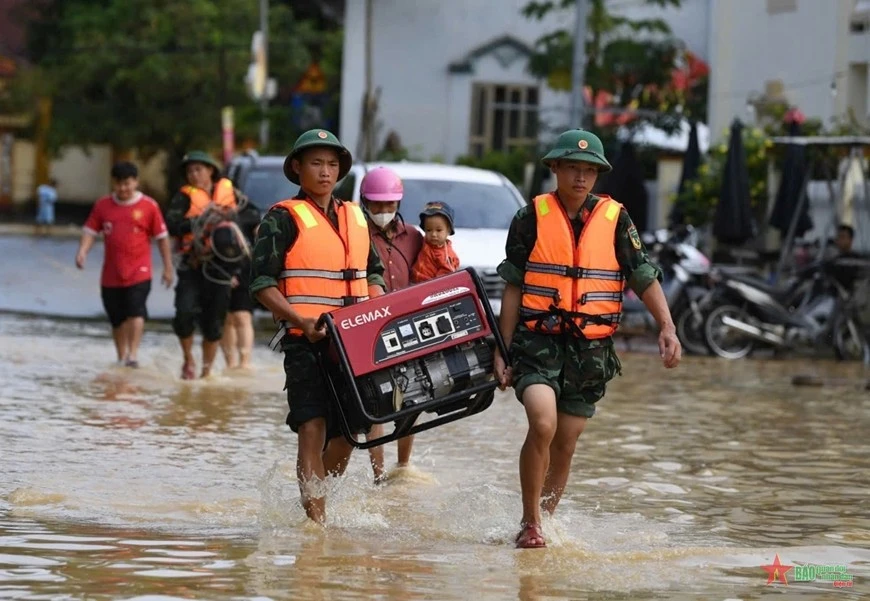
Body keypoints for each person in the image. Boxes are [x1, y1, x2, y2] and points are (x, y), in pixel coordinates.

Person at [492, 129, 682, 549]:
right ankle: (530, 524)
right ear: (555, 168)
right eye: (573, 168)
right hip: (537, 343)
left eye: (589, 171)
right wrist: (501, 350)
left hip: (590, 350)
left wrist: (666, 326)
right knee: (543, 422)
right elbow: (513, 287)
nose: (581, 178)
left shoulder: (617, 219)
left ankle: (547, 521)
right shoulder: (530, 217)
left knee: (565, 443)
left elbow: (642, 273)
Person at [249, 129, 386, 524]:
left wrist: (376, 305)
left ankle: (312, 500)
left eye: (332, 164)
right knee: (312, 425)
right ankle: (317, 525)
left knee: (347, 435)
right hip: (304, 339)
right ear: (297, 167)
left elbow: (373, 273)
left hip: (355, 340)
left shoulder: (356, 216)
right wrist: (299, 320)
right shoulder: (282, 218)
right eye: (316, 163)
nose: (325, 172)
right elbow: (261, 283)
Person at [164, 151, 260, 380]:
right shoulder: (183, 197)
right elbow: (172, 225)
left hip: (223, 265)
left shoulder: (230, 191)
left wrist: (230, 216)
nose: (194, 174)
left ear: (210, 171)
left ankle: (206, 373)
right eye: (190, 171)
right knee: (184, 313)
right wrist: (201, 219)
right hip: (193, 263)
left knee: (215, 320)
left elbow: (253, 214)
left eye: (198, 169)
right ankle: (188, 359)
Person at [359, 166, 424, 479]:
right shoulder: (357, 233)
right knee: (376, 401)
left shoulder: (414, 236)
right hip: (370, 327)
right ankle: (378, 474)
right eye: (377, 205)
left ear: (399, 204)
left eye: (390, 205)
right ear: (364, 202)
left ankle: (403, 468)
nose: (383, 211)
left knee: (411, 398)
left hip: (409, 326)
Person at [75, 162, 174, 367]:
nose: (123, 189)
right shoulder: (103, 205)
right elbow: (90, 231)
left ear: (136, 182)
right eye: (119, 184)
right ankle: (121, 356)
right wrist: (83, 251)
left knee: (136, 311)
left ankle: (133, 355)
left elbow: (162, 238)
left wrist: (167, 267)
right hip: (111, 273)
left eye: (127, 184)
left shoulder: (149, 206)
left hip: (140, 271)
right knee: (117, 317)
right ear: (114, 183)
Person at [220, 203, 261, 371]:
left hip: (244, 267)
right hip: (218, 267)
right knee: (227, 318)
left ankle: (244, 363)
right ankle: (230, 364)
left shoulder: (247, 208)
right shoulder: (207, 208)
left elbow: (259, 230)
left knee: (242, 316)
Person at [411, 201, 460, 282]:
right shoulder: (424, 242)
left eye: (439, 230)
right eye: (429, 230)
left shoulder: (445, 255)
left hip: (427, 287)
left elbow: (443, 279)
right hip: (413, 283)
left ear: (448, 231)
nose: (433, 234)